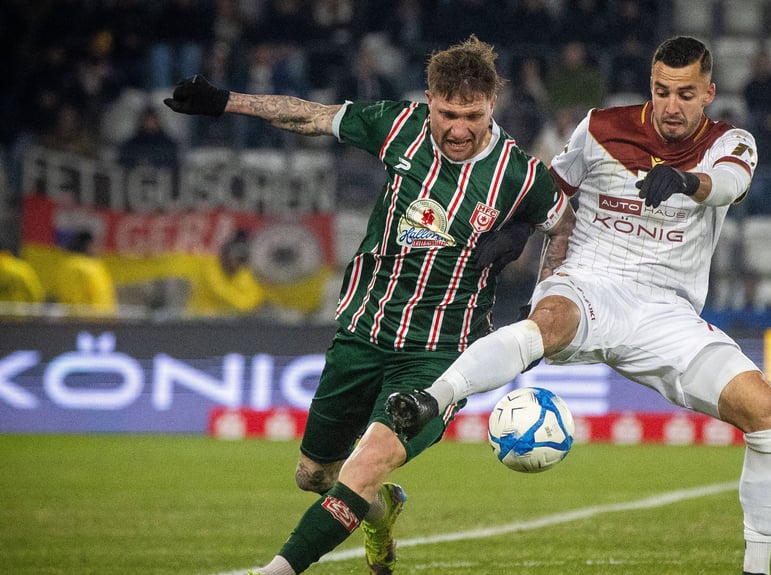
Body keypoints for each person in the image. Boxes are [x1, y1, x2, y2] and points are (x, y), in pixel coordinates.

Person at [163, 35, 574, 575]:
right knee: (314, 476)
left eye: (472, 116)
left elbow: (563, 223)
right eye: (448, 115)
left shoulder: (518, 173)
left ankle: (276, 570)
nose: (458, 130)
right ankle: (381, 513)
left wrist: (542, 290)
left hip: (440, 355)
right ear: (429, 99)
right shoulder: (399, 126)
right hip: (364, 332)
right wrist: (225, 102)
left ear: (492, 104)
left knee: (368, 462)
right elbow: (312, 116)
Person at [387, 36, 771, 575]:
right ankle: (429, 400)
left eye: (686, 94)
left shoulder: (730, 142)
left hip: (667, 312)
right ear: (650, 86)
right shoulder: (601, 127)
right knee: (549, 322)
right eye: (662, 91)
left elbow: (730, 184)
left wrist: (685, 180)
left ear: (709, 93)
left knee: (768, 414)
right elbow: (549, 187)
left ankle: (757, 569)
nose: (672, 105)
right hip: (590, 282)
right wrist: (518, 232)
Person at [186, 229, 265, 318]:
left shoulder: (244, 273)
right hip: (198, 321)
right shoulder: (209, 268)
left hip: (227, 324)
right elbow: (224, 294)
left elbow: (250, 302)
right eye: (234, 256)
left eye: (241, 258)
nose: (237, 262)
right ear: (224, 253)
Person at [53, 230, 118, 316]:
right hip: (86, 318)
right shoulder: (80, 265)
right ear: (88, 245)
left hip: (91, 317)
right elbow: (73, 296)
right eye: (96, 245)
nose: (100, 248)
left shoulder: (91, 264)